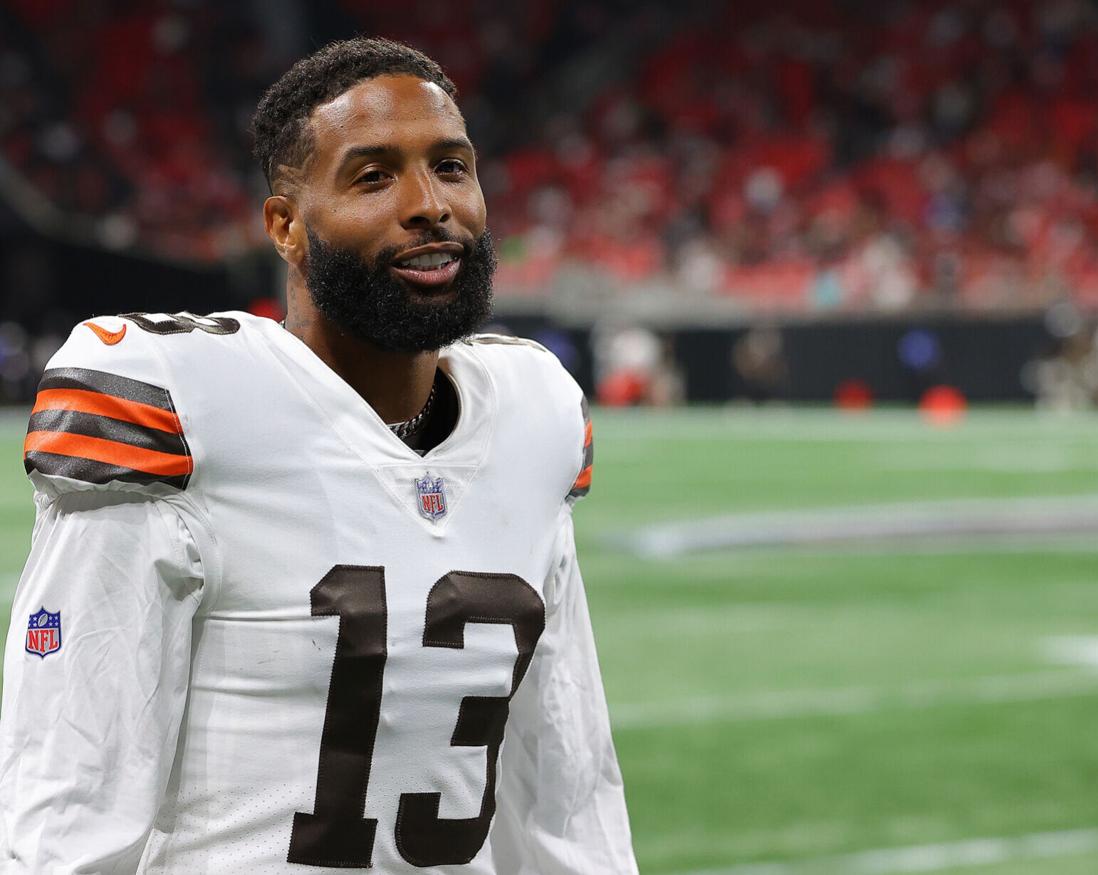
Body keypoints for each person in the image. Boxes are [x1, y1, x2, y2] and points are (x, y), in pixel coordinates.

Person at [0, 38, 637, 874]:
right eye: (373, 176)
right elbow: (66, 809)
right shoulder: (183, 403)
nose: (429, 204)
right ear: (286, 226)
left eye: (451, 167)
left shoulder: (533, 415)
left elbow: (565, 789)